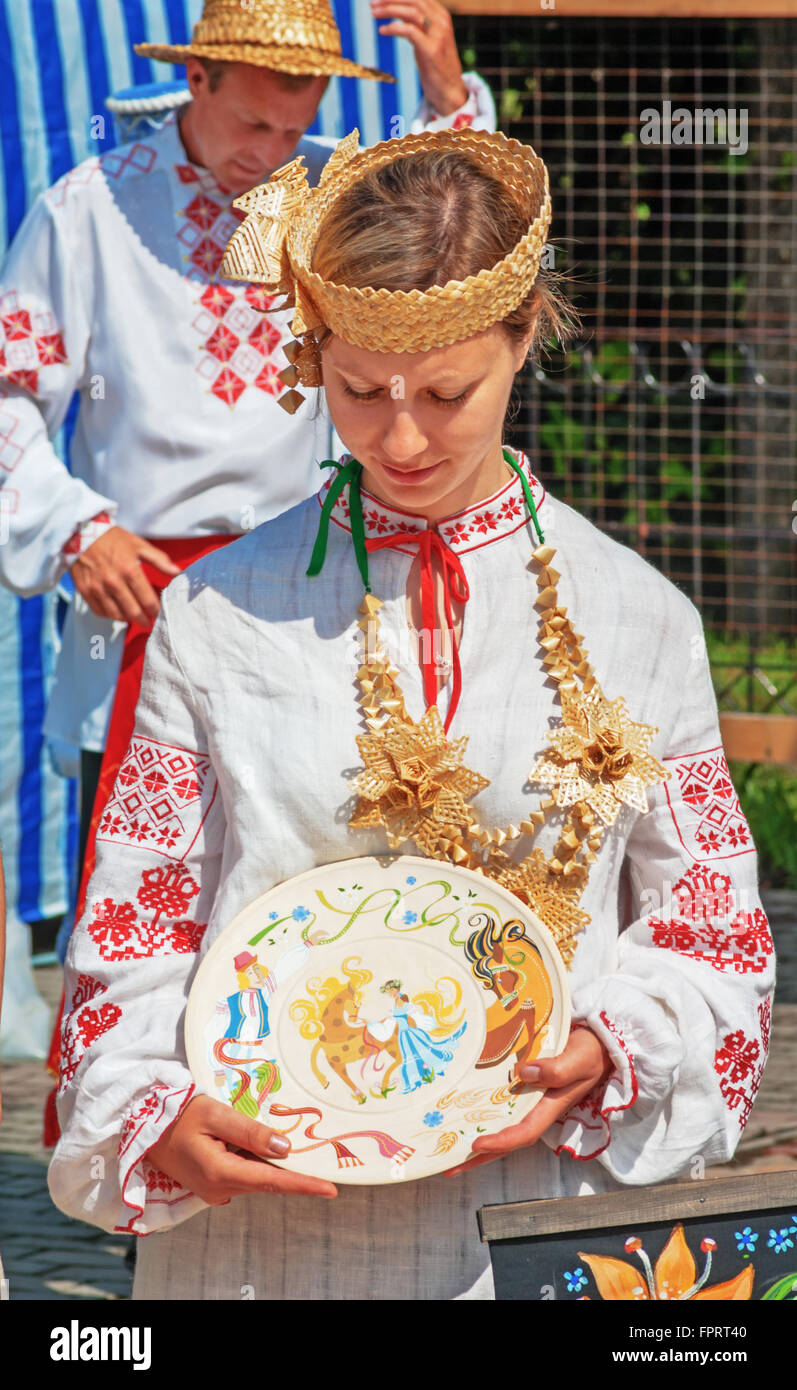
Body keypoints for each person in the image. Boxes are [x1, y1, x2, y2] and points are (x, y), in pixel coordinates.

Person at [49, 126, 774, 1301]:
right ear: (312, 351)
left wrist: (609, 1047)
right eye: (355, 391)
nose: (397, 439)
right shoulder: (218, 611)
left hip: (537, 1216)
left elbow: (713, 938)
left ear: (523, 334)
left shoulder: (637, 620)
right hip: (265, 1235)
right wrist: (155, 1108)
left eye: (444, 392)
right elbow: (135, 926)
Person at [0, 0, 495, 930]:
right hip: (143, 595)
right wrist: (76, 527)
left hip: (310, 590)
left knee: (305, 886)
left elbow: (458, 252)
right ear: (196, 80)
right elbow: (7, 396)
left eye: (294, 127)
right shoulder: (88, 209)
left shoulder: (333, 201)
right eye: (252, 122)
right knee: (137, 900)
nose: (271, 151)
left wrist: (445, 95)